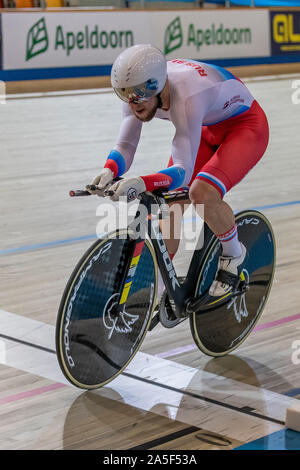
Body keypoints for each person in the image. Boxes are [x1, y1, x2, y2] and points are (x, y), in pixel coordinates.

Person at [88, 44, 269, 306]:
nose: (133, 102)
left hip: (245, 128)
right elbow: (126, 145)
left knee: (201, 193)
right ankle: (158, 287)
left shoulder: (187, 96)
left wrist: (141, 182)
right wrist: (110, 170)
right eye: (124, 94)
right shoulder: (139, 91)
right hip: (205, 127)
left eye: (138, 94)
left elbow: (182, 173)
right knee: (169, 206)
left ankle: (233, 254)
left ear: (159, 85)